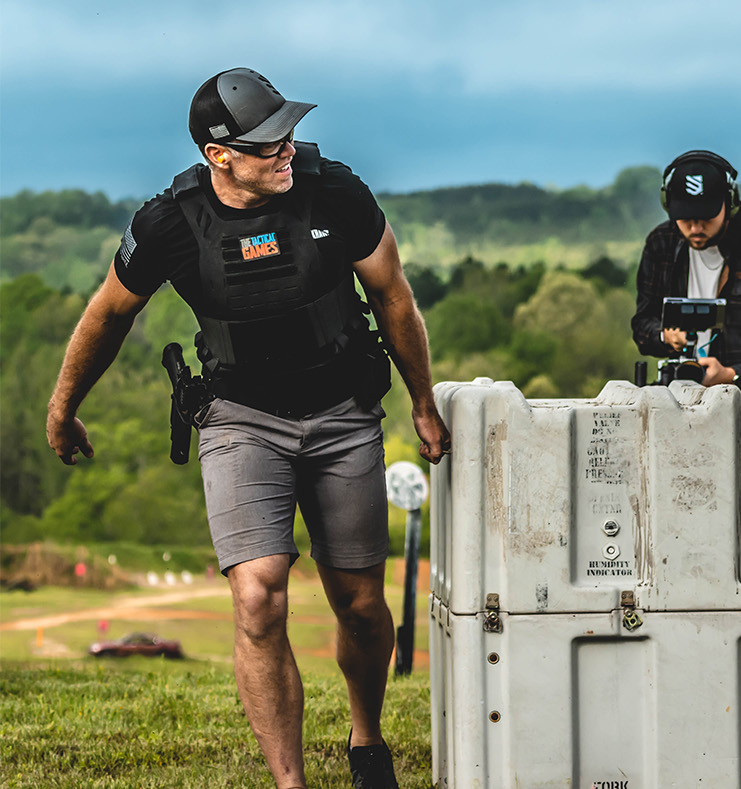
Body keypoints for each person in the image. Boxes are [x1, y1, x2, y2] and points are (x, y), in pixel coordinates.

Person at [45, 68, 450, 789]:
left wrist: (422, 401)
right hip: (240, 418)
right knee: (258, 594)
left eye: (288, 133)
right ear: (218, 154)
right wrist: (64, 404)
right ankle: (289, 783)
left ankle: (367, 738)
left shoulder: (336, 193)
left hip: (342, 412)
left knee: (359, 603)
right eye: (267, 143)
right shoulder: (169, 223)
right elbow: (109, 312)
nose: (286, 149)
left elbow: (393, 296)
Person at [632, 150, 741, 396]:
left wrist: (731, 374)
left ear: (731, 203)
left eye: (706, 217)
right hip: (681, 402)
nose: (695, 227)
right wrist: (664, 335)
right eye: (684, 218)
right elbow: (642, 325)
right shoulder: (660, 244)